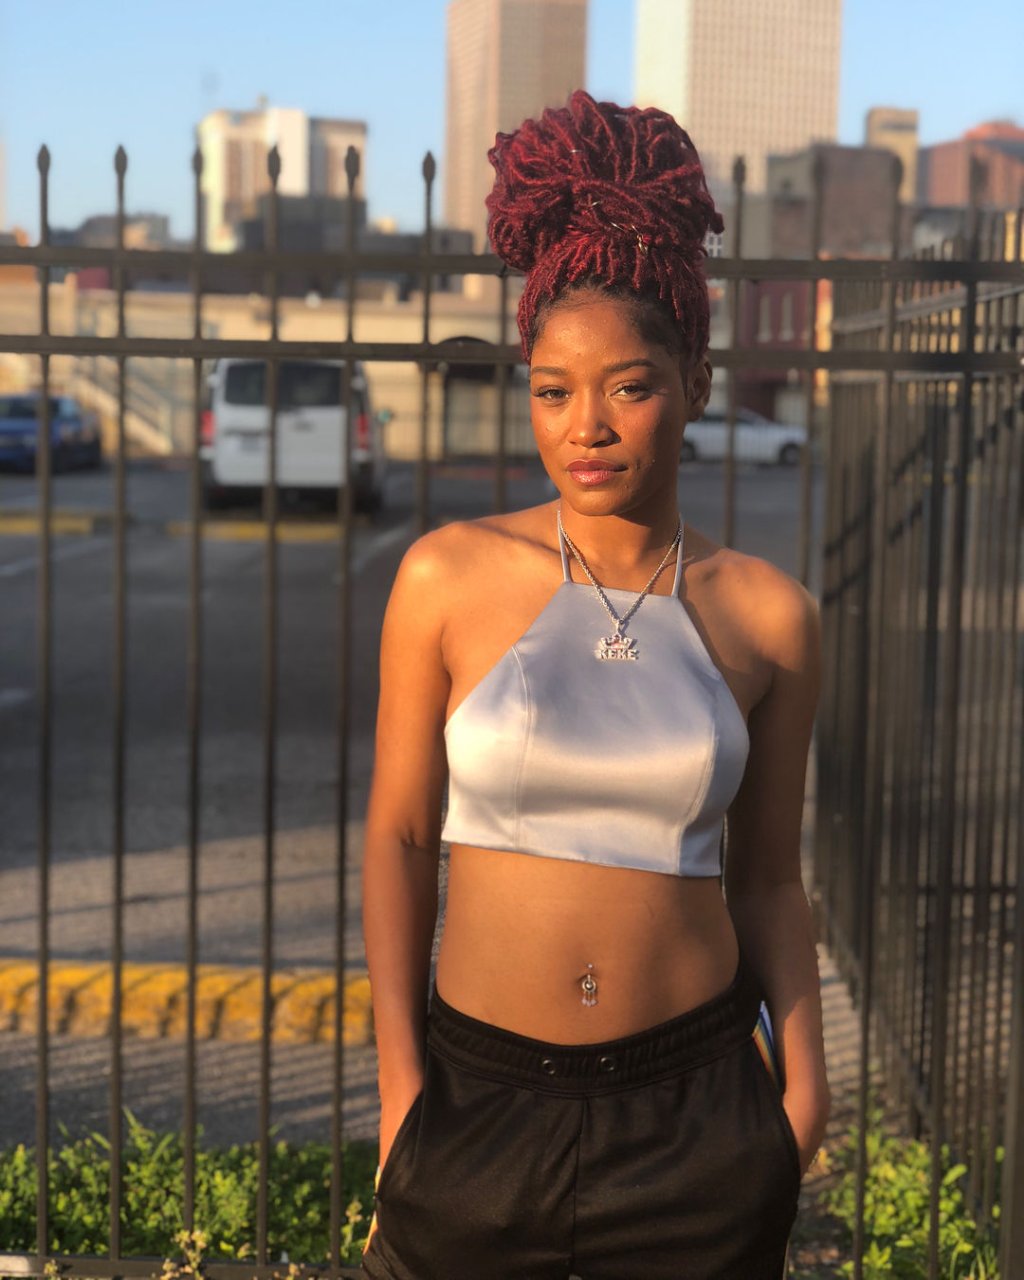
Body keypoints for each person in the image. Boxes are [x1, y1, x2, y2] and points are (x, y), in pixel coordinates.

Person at [360, 89, 830, 1280]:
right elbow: (401, 835)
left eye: (628, 385)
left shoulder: (771, 616)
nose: (587, 427)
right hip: (472, 1106)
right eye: (552, 388)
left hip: (697, 1124)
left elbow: (769, 877)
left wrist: (802, 1099)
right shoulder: (445, 577)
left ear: (695, 380)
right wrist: (404, 1090)